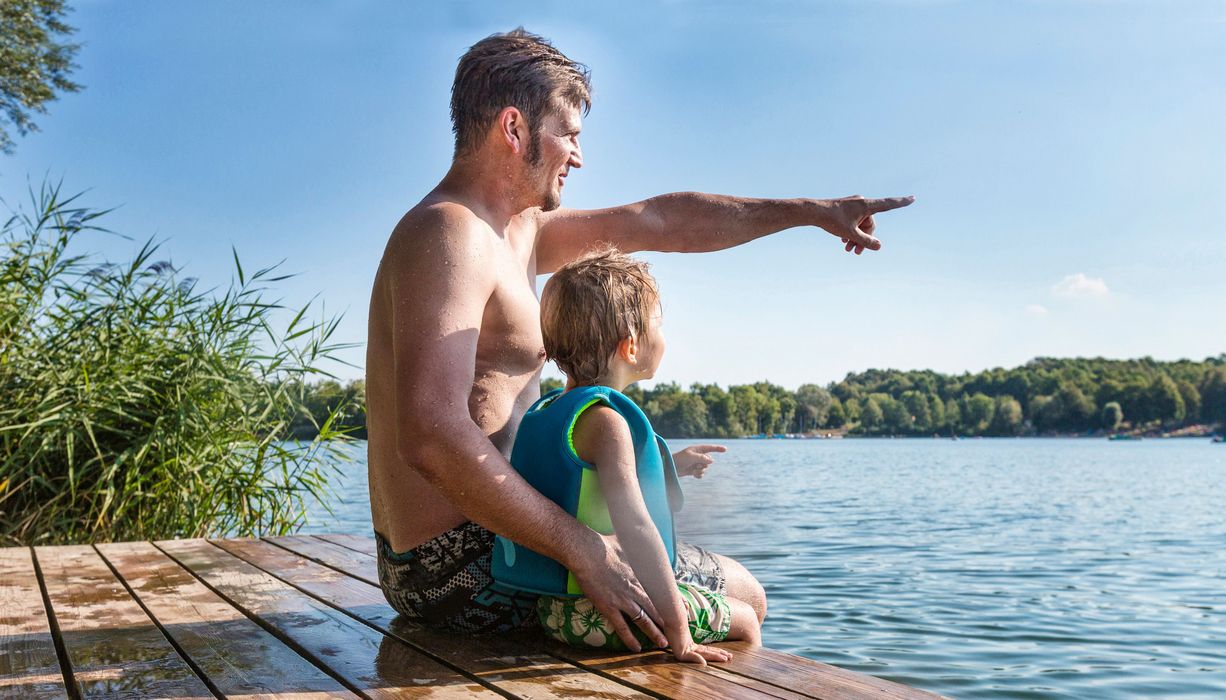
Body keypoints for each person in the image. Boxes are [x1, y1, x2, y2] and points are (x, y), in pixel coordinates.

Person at [365, 27, 913, 650]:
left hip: (502, 539)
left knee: (740, 592)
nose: (578, 155)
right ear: (514, 128)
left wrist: (809, 211)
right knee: (747, 600)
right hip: (454, 568)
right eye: (568, 133)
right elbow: (431, 433)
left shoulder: (517, 233)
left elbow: (658, 220)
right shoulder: (450, 234)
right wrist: (585, 549)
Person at [493, 248, 761, 664]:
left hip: (552, 608)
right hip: (601, 610)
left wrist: (676, 462)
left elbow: (582, 484)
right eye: (660, 324)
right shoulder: (608, 423)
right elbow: (636, 527)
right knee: (747, 618)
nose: (665, 336)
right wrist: (679, 632)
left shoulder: (551, 413)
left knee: (733, 610)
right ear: (631, 346)